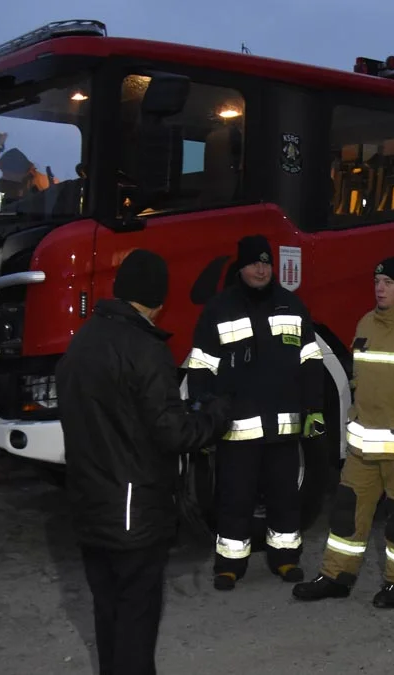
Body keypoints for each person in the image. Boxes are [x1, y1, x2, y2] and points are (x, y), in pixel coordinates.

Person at [55, 248, 233, 675]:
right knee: (136, 617)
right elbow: (172, 433)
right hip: (133, 512)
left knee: (108, 612)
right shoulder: (145, 349)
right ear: (157, 299)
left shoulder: (82, 341)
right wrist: (216, 416)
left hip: (88, 503)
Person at [185, 234, 327, 591]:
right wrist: (204, 415)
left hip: (283, 428)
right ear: (241, 267)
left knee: (284, 497)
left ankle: (286, 559)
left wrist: (315, 409)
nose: (261, 269)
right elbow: (201, 366)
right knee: (234, 497)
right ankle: (229, 565)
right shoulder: (220, 309)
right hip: (236, 430)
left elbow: (311, 361)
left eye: (266, 263)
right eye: (254, 263)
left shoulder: (292, 306)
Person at [292, 256, 394, 608]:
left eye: (387, 282)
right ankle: (336, 575)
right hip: (362, 448)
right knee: (345, 515)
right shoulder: (365, 323)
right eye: (377, 281)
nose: (379, 288)